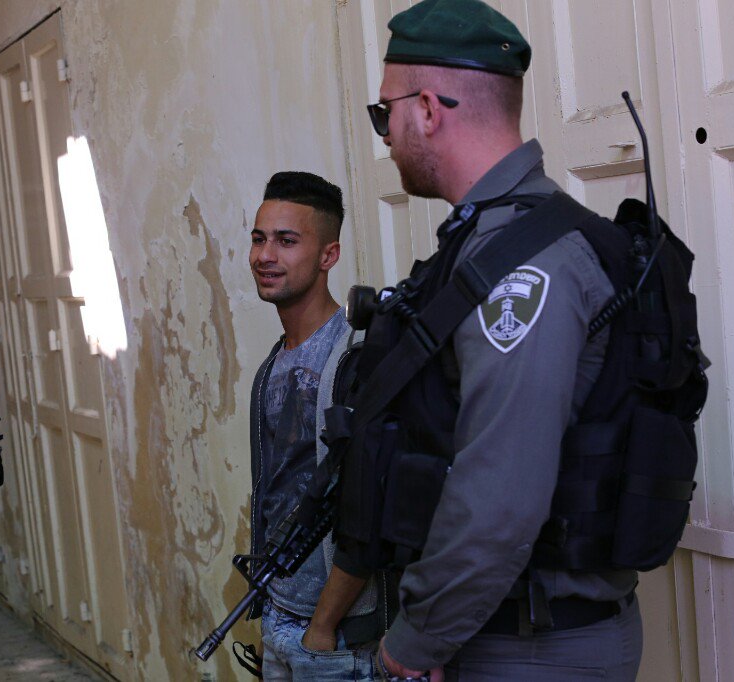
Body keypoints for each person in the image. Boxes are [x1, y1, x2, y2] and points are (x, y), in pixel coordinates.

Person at [333, 1, 645, 680]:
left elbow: (499, 497)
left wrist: (416, 641)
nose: (385, 136)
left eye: (384, 113)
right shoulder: (499, 237)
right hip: (504, 631)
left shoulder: (527, 266)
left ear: (426, 110)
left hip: (529, 647)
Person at [247, 171, 379, 680]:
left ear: (329, 255)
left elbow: (370, 504)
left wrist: (322, 626)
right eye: (259, 239)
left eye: (286, 241)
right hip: (279, 613)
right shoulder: (274, 363)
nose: (265, 255)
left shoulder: (352, 361)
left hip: (337, 635)